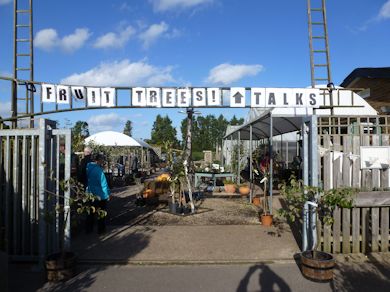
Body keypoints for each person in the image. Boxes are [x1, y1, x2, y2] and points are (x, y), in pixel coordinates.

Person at [86, 153, 111, 234]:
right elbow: (104, 184)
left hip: (90, 193)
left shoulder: (88, 167)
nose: (102, 161)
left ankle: (89, 229)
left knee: (90, 213)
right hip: (100, 194)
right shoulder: (99, 170)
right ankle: (101, 230)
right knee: (101, 213)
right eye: (101, 160)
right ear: (98, 160)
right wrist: (107, 194)